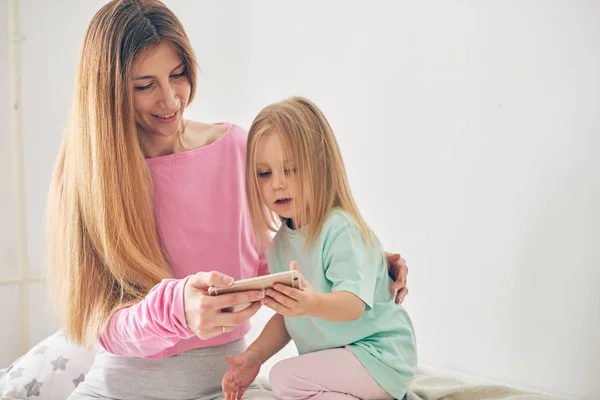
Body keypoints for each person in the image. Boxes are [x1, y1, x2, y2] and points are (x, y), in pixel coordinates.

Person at [46, 1, 409, 399]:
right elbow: (96, 321)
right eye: (144, 86)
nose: (170, 100)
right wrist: (177, 310)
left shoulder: (236, 149)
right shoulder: (86, 178)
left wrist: (358, 262)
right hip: (120, 387)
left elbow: (269, 260)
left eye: (178, 74)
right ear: (109, 90)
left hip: (225, 385)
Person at [222, 97, 417, 400]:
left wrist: (310, 304)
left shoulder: (341, 230)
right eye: (265, 174)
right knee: (289, 380)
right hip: (348, 360)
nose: (278, 184)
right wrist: (255, 355)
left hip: (380, 356)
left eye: (291, 170)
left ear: (320, 166)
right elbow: (289, 317)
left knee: (285, 377)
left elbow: (353, 304)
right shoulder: (279, 245)